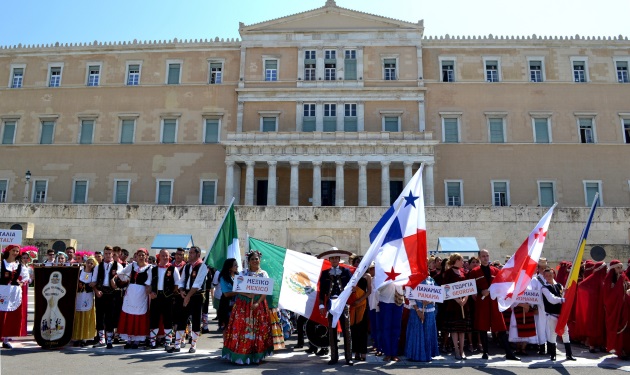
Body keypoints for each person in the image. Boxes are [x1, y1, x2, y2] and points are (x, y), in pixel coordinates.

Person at [222, 250, 274, 364]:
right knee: (242, 329)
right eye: (252, 259)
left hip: (258, 305)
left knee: (258, 329)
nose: (255, 261)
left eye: (257, 259)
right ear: (248, 261)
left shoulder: (263, 274)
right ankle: (242, 355)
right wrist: (247, 294)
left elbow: (265, 291)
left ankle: (256, 355)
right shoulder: (242, 273)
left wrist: (257, 302)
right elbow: (237, 288)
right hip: (243, 305)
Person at [467, 249, 519, 360]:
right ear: (479, 258)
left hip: (494, 302)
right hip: (482, 302)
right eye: (483, 256)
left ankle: (509, 353)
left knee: (501, 327)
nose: (486, 258)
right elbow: (471, 288)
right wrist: (481, 291)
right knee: (483, 327)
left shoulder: (495, 271)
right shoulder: (474, 272)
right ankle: (485, 353)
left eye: (487, 255)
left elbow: (502, 286)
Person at [318, 247, 354, 365]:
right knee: (332, 330)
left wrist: (352, 290)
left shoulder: (346, 272)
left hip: (343, 303)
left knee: (346, 330)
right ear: (329, 260)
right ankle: (334, 357)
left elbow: (351, 287)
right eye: (332, 258)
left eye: (336, 258)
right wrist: (321, 304)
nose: (334, 260)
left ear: (339, 259)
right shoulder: (324, 273)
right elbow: (322, 291)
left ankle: (348, 357)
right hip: (330, 304)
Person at [172, 246, 207, 353]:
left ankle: (193, 345)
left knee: (196, 320)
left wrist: (188, 297)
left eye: (192, 253)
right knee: (182, 319)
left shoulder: (202, 267)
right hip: (185, 295)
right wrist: (181, 290)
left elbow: (197, 284)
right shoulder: (187, 266)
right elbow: (181, 281)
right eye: (189, 252)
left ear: (198, 255)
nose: (189, 254)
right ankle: (177, 344)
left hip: (196, 296)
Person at [116, 248, 152, 349]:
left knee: (139, 315)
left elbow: (149, 281)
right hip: (131, 292)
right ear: (136, 256)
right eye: (139, 255)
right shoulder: (132, 265)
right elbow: (122, 274)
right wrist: (125, 280)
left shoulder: (150, 268)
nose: (141, 257)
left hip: (141, 293)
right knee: (129, 314)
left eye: (143, 255)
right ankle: (128, 339)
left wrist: (148, 289)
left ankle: (137, 340)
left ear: (146, 256)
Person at [91, 245, 123, 348]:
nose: (108, 255)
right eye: (106, 253)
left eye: (109, 253)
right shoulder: (98, 266)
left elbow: (121, 281)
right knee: (99, 316)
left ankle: (109, 339)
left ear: (113, 254)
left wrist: (116, 282)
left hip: (112, 293)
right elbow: (94, 281)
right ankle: (101, 339)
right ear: (103, 254)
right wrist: (96, 291)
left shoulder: (118, 265)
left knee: (110, 316)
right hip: (101, 293)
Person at [541, 268, 576, 361]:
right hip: (551, 315)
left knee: (565, 333)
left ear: (553, 275)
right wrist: (563, 300)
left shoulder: (559, 286)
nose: (548, 277)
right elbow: (551, 299)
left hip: (561, 315)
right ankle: (553, 355)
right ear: (544, 276)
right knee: (553, 334)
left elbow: (564, 294)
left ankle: (569, 354)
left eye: (550, 275)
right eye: (546, 275)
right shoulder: (544, 288)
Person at [149, 249, 180, 350]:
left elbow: (178, 283)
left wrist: (172, 293)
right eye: (163, 255)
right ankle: (152, 342)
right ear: (159, 256)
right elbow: (148, 284)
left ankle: (168, 342)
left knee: (168, 319)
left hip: (167, 297)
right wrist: (150, 293)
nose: (165, 257)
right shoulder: (153, 269)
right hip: (156, 297)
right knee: (154, 319)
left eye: (166, 256)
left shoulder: (173, 269)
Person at [442, 253, 471, 360]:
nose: (463, 262)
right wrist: (456, 299)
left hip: (464, 304)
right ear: (456, 260)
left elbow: (469, 286)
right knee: (454, 329)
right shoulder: (448, 273)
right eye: (461, 260)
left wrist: (465, 299)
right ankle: (456, 350)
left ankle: (462, 350)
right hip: (453, 304)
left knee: (462, 329)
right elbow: (445, 289)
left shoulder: (464, 272)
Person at [0, 245, 30, 349]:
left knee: (10, 316)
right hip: (2, 291)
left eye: (17, 251)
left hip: (13, 292)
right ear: (8, 250)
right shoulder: (2, 263)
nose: (16, 253)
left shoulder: (19, 265)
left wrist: (20, 284)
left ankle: (6, 338)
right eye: (14, 250)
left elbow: (25, 278)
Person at [406, 275, 439, 362]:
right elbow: (410, 296)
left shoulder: (431, 279)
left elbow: (437, 293)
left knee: (428, 331)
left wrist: (430, 301)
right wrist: (418, 311)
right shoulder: (413, 279)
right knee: (417, 332)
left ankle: (427, 354)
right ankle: (415, 355)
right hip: (417, 309)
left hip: (429, 309)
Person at [575, 260, 606, 352]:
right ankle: (592, 345)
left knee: (602, 324)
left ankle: (601, 344)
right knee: (593, 324)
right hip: (593, 306)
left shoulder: (605, 278)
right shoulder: (592, 278)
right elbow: (581, 286)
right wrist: (592, 294)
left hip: (602, 305)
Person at [603, 259, 629, 359]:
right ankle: (619, 350)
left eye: (621, 267)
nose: (620, 269)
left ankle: (625, 350)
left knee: (626, 330)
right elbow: (607, 297)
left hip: (624, 308)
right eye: (618, 267)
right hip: (614, 309)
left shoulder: (623, 277)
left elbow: (627, 286)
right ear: (613, 269)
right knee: (617, 329)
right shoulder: (608, 280)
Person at [72, 256, 97, 347]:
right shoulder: (80, 271)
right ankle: (76, 337)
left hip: (88, 296)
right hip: (79, 296)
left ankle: (85, 338)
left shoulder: (94, 273)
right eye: (88, 262)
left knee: (86, 316)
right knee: (78, 315)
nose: (89, 265)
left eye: (92, 263)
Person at [349, 256, 371, 362]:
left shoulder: (367, 276)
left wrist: (360, 300)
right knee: (354, 330)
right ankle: (356, 352)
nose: (358, 263)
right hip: (353, 306)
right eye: (356, 262)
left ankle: (363, 353)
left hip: (363, 305)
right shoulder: (351, 275)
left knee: (362, 330)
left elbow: (369, 291)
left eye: (360, 262)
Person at [529, 257, 549, 355]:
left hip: (549, 307)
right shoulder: (534, 280)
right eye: (541, 268)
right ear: (538, 268)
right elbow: (532, 294)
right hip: (540, 307)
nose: (543, 270)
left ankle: (551, 346)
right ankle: (541, 346)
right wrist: (534, 306)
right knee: (540, 327)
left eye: (545, 267)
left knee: (549, 327)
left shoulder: (550, 279)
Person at [217, 258, 238, 332]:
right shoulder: (224, 277)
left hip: (237, 304)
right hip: (226, 305)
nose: (237, 266)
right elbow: (226, 294)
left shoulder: (238, 276)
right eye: (235, 265)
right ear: (229, 267)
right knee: (227, 327)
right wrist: (239, 292)